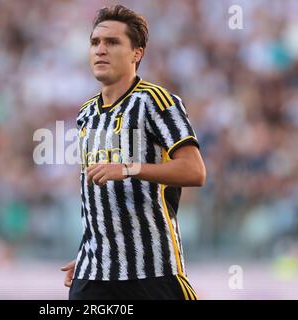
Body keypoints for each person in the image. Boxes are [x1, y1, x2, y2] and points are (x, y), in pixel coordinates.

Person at [61, 4, 206, 300]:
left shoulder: (155, 101)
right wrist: (91, 253)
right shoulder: (86, 113)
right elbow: (97, 200)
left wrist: (128, 168)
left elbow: (194, 171)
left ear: (136, 53)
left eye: (112, 42)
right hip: (94, 273)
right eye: (95, 42)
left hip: (152, 272)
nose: (100, 50)